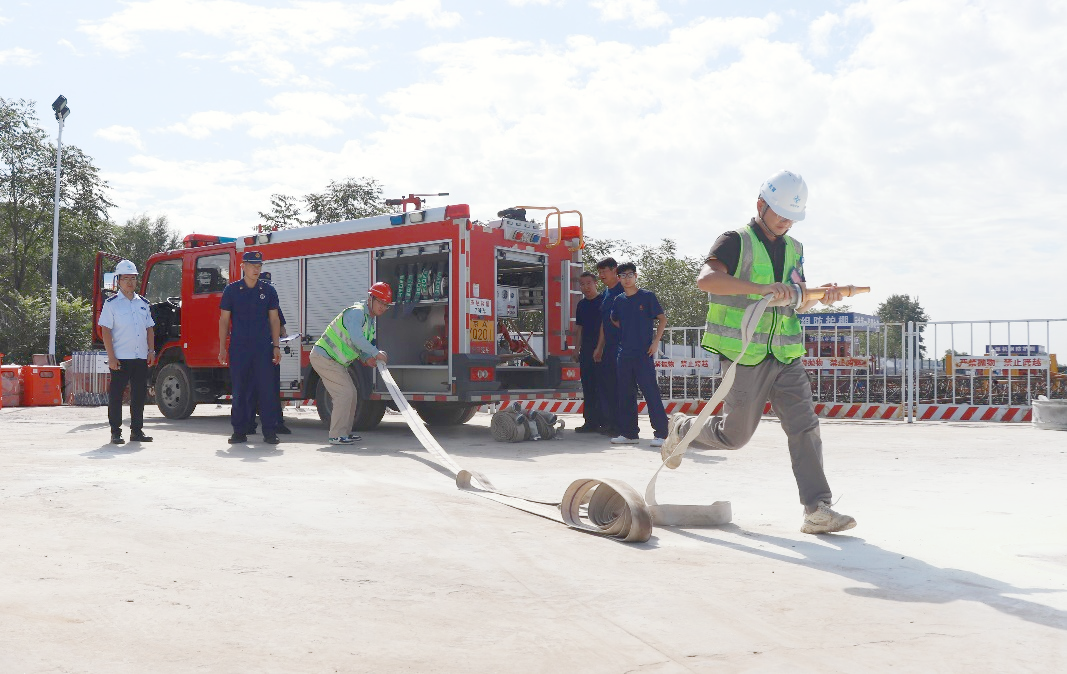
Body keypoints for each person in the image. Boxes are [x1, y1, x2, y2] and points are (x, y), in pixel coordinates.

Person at [659, 170, 856, 535]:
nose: (785, 222)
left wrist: (818, 295)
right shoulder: (735, 241)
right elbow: (706, 280)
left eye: (792, 216)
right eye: (780, 213)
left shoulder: (795, 248)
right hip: (745, 354)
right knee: (735, 437)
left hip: (786, 354)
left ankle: (818, 509)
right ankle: (683, 427)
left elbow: (794, 299)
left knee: (805, 428)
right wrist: (761, 288)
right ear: (760, 205)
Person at [309, 282, 391, 445]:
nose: (382, 307)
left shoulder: (369, 321)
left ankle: (344, 433)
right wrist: (375, 353)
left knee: (351, 393)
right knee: (344, 394)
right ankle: (336, 435)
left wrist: (367, 357)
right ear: (371, 298)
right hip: (324, 357)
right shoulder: (357, 313)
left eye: (386, 305)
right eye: (380, 302)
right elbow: (356, 338)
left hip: (335, 361)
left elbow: (357, 344)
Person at [219, 251, 283, 445]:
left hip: (263, 348)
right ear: (243, 267)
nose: (256, 269)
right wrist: (222, 348)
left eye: (259, 266)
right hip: (239, 348)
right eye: (253, 265)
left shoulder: (268, 290)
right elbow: (224, 321)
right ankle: (239, 431)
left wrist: (276, 346)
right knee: (240, 390)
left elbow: (274, 319)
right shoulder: (231, 290)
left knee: (266, 390)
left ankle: (270, 432)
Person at [608, 262, 669, 446]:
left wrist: (655, 341)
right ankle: (629, 434)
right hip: (624, 354)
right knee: (625, 394)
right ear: (618, 279)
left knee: (651, 392)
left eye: (630, 275)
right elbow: (614, 319)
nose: (626, 279)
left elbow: (662, 318)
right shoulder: (619, 300)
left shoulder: (647, 297)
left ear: (636, 276)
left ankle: (661, 434)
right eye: (623, 276)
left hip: (644, 353)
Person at [98, 259, 156, 445]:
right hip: (121, 358)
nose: (130, 282)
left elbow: (149, 329)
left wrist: (151, 351)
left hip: (140, 357)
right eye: (126, 278)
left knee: (139, 396)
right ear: (118, 281)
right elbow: (105, 330)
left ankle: (137, 431)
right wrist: (111, 357)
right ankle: (116, 431)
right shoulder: (112, 304)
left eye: (133, 278)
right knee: (116, 395)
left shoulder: (143, 303)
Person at [246, 271, 291, 436]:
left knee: (272, 389)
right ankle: (249, 425)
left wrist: (282, 339)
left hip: (270, 353)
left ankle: (276, 423)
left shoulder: (272, 302)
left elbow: (282, 328)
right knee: (251, 389)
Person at [591, 257, 624, 436]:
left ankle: (622, 425)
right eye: (600, 272)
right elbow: (604, 323)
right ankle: (611, 423)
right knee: (608, 386)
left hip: (622, 347)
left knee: (622, 387)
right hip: (608, 347)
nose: (601, 275)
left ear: (614, 270)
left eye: (604, 271)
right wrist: (599, 346)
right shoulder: (606, 294)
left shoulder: (623, 291)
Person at [573, 271, 604, 433]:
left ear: (596, 283)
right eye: (582, 284)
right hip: (586, 351)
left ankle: (604, 422)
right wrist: (576, 349)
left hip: (601, 351)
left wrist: (599, 348)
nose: (585, 287)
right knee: (588, 386)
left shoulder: (603, 301)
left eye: (588, 283)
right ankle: (590, 422)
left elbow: (603, 327)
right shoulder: (582, 305)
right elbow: (579, 328)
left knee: (602, 386)